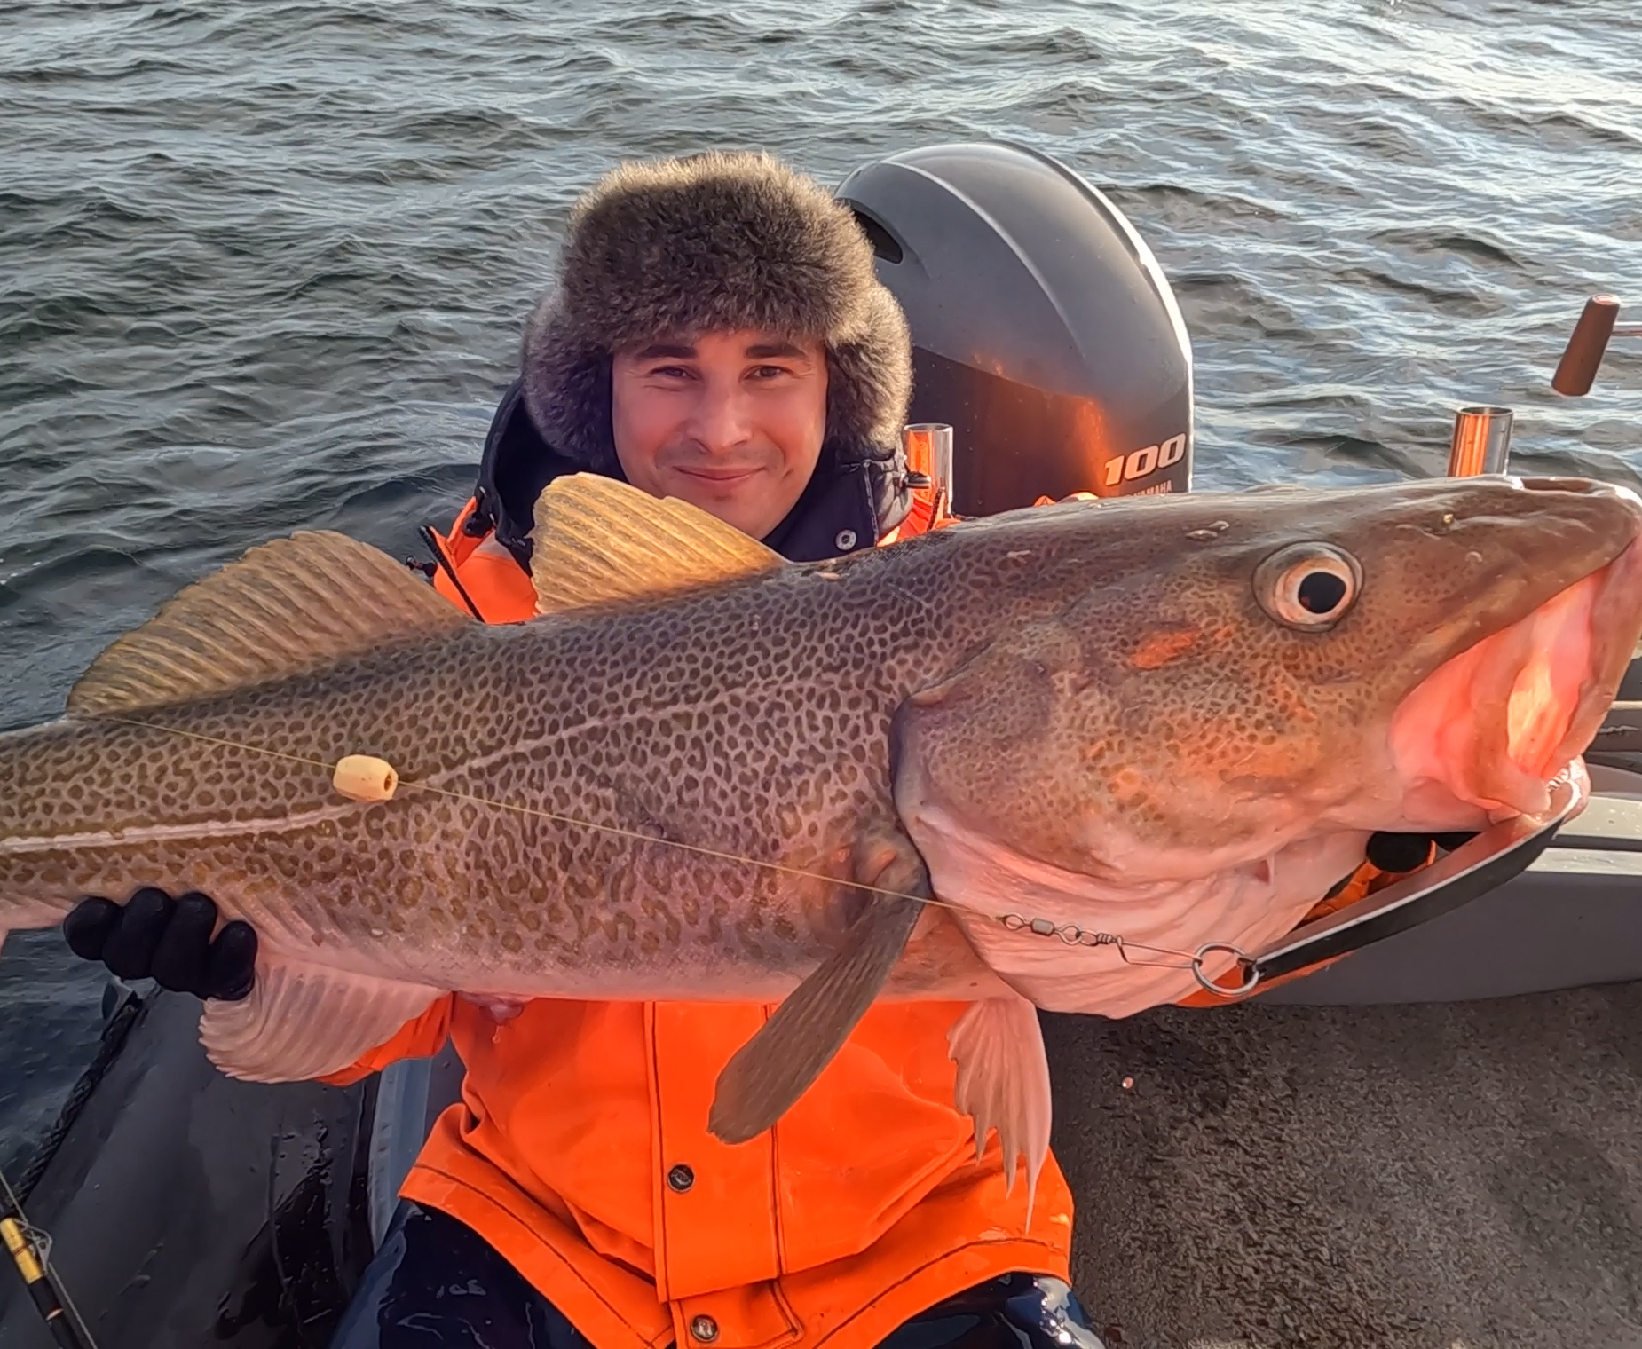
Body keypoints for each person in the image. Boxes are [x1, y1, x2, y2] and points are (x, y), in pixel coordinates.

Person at [63, 151, 1102, 1349]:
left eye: (771, 369)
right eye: (671, 371)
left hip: (919, 1242)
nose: (721, 428)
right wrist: (255, 960)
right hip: (543, 1228)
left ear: (840, 386)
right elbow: (411, 999)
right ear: (594, 386)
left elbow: (1223, 871)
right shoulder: (465, 627)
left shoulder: (981, 621)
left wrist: (1367, 835)